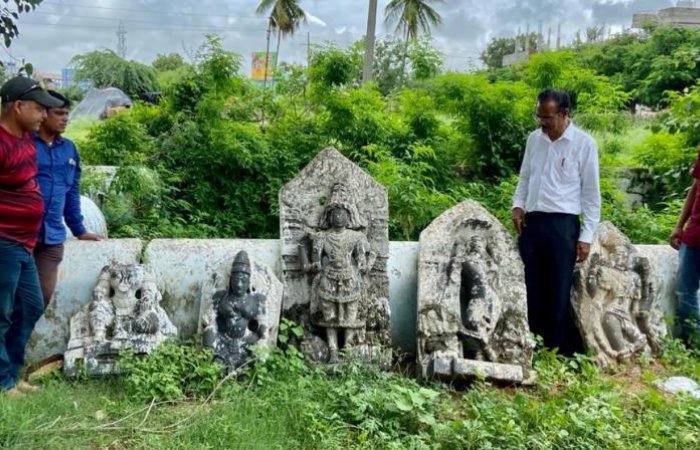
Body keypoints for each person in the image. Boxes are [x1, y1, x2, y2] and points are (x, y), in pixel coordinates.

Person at [511, 89, 601, 356]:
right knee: (531, 286)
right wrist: (518, 205)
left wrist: (586, 236)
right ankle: (532, 345)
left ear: (564, 114)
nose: (542, 123)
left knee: (559, 289)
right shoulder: (534, 140)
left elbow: (591, 195)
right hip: (533, 224)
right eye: (539, 116)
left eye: (547, 117)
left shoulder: (584, 144)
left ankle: (557, 352)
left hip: (563, 226)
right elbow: (525, 177)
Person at [0, 76, 63, 395]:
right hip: (4, 241)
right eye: (38, 109)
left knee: (31, 304)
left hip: (24, 243)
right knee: (2, 311)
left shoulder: (26, 138)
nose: (43, 116)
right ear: (17, 106)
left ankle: (10, 372)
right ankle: (3, 381)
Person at [34, 90, 102, 307]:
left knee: (40, 301)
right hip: (21, 235)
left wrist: (79, 229)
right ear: (42, 114)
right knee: (9, 303)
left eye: (67, 113)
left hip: (52, 238)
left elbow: (71, 191)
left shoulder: (69, 149)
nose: (65, 118)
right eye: (59, 113)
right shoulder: (23, 144)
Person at [669, 146, 700, 347]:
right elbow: (695, 189)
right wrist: (679, 225)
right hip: (695, 234)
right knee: (685, 290)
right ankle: (694, 344)